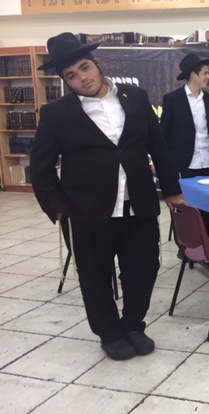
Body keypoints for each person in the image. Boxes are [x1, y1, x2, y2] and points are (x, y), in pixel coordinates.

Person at [29, 32, 185, 361]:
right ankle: (110, 333)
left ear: (96, 64)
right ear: (65, 80)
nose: (82, 78)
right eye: (71, 75)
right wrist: (58, 209)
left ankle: (133, 325)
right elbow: (40, 168)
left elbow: (158, 146)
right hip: (85, 211)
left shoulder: (135, 97)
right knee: (95, 276)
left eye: (84, 68)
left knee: (144, 268)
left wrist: (172, 190)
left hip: (138, 205)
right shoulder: (56, 114)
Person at [160, 53, 209, 234]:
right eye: (205, 73)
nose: (208, 77)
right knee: (187, 205)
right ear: (193, 75)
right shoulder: (173, 99)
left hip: (207, 160)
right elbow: (164, 132)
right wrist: (163, 162)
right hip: (185, 162)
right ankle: (188, 242)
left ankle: (205, 238)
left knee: (206, 203)